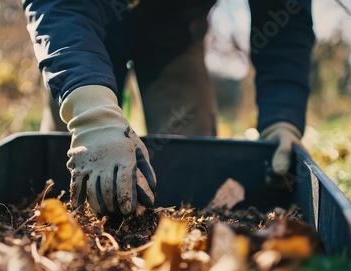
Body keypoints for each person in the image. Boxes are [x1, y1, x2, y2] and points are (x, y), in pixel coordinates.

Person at [22, 0, 315, 216]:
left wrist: (282, 117)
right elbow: (56, 7)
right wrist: (89, 107)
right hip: (82, 28)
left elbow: (285, 22)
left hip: (176, 31)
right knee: (65, 167)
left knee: (196, 176)